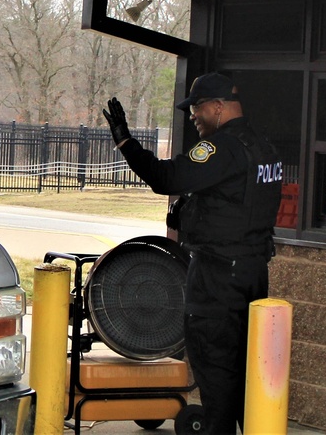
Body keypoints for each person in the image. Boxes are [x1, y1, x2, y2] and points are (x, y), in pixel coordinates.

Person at [102, 72, 282, 434]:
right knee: (248, 375)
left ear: (218, 107)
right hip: (251, 274)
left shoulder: (222, 148)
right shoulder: (263, 146)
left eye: (197, 107)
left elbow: (167, 178)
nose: (193, 115)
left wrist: (125, 142)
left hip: (217, 279)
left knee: (215, 373)